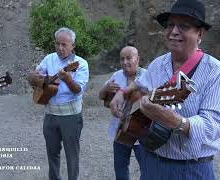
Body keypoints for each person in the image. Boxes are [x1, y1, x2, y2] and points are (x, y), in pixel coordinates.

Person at [110, 0, 220, 179]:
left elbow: (214, 125)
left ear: (200, 33)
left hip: (191, 169)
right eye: (170, 25)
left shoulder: (216, 71)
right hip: (151, 163)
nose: (174, 31)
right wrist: (122, 92)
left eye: (184, 26)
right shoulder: (158, 64)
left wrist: (176, 122)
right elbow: (141, 82)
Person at [30, 27, 89, 180]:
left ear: (73, 46)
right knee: (52, 153)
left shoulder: (80, 64)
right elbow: (33, 77)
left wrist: (68, 79)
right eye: (57, 44)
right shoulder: (49, 58)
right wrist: (36, 79)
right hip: (50, 115)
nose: (60, 48)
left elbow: (78, 90)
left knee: (72, 155)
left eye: (64, 45)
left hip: (70, 116)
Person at [99, 46, 145, 180]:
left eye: (129, 58)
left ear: (138, 59)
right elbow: (101, 96)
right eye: (122, 59)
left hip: (141, 132)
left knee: (146, 168)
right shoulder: (117, 75)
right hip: (119, 130)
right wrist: (106, 88)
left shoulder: (147, 76)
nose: (125, 62)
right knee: (120, 168)